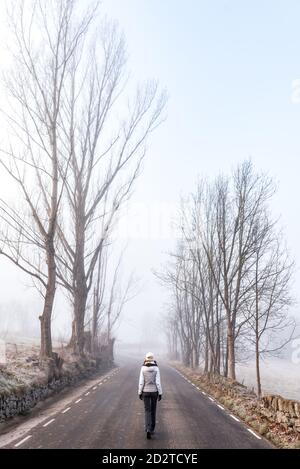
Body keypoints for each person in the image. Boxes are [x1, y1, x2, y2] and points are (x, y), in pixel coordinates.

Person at [138, 352, 162, 439]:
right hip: (154, 392)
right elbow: (158, 382)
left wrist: (140, 392)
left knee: (147, 411)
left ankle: (147, 428)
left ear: (146, 358)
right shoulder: (156, 368)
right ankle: (152, 428)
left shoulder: (143, 368)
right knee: (153, 410)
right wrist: (160, 393)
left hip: (145, 392)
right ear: (153, 359)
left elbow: (141, 382)